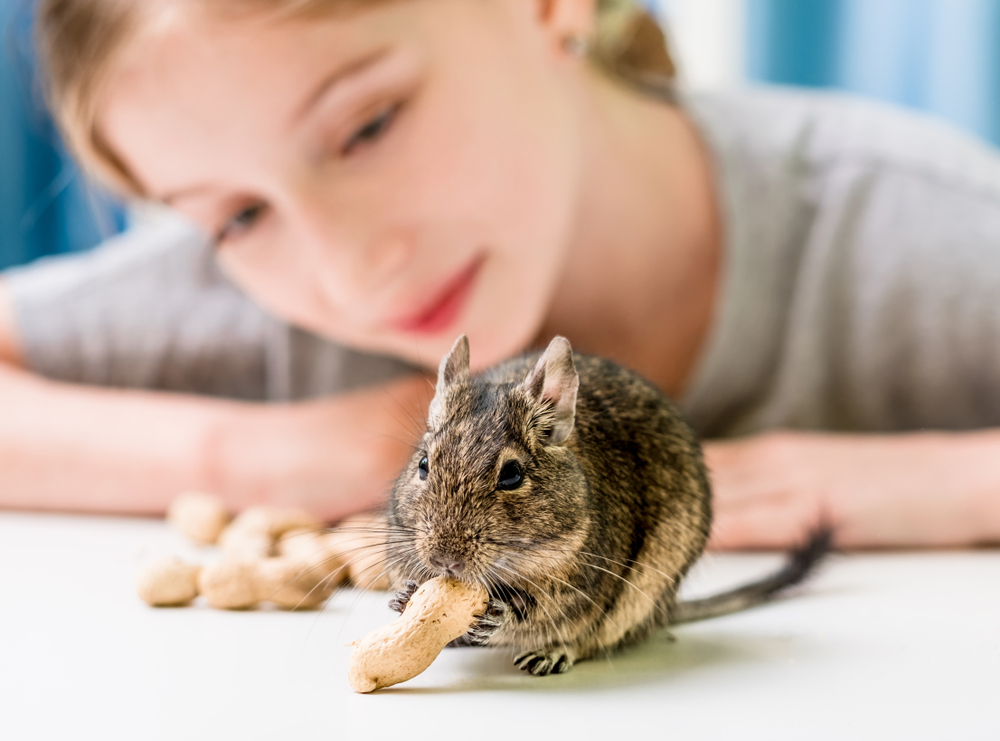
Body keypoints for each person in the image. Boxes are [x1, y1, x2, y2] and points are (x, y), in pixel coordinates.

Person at [2, 0, 999, 550]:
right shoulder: (239, 299)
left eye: (369, 125)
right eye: (241, 214)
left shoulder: (907, 224)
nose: (351, 275)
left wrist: (951, 483)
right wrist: (254, 460)